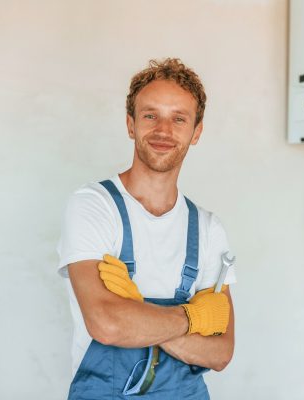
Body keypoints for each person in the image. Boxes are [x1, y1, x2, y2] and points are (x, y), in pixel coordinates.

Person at [57, 58, 236, 399]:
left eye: (178, 118)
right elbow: (107, 325)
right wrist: (195, 318)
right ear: (130, 124)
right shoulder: (94, 206)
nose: (163, 130)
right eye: (150, 115)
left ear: (196, 132)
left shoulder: (208, 229)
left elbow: (220, 352)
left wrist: (134, 310)